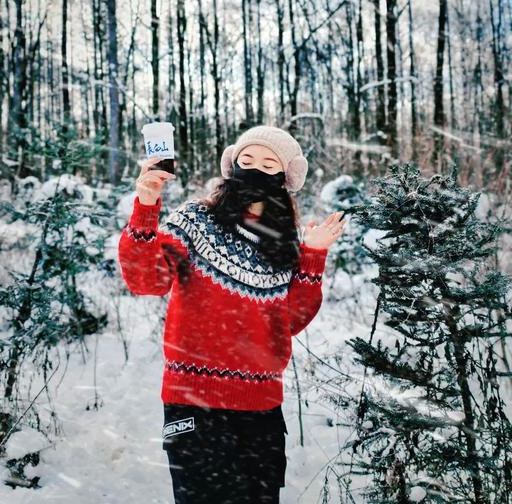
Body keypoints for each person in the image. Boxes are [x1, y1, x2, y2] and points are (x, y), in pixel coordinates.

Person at [118, 125, 346, 504]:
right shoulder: (196, 220)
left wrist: (313, 256)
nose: (255, 168)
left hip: (260, 412)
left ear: (285, 178)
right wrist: (145, 207)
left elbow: (290, 321)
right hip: (194, 403)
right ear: (232, 165)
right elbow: (147, 281)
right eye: (247, 159)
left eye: (269, 163)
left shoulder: (282, 243)